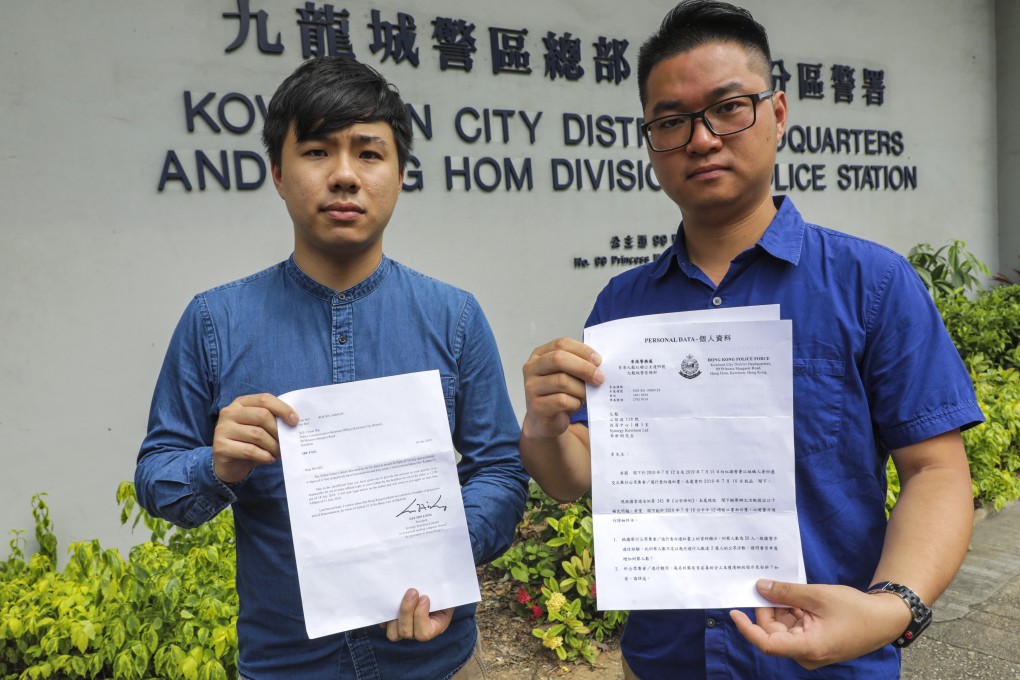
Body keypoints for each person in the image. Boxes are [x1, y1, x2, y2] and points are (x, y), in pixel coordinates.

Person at [520, 2, 983, 678]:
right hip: (667, 662)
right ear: (650, 140)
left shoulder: (872, 284)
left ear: (778, 112)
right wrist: (544, 427)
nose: (701, 139)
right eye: (671, 121)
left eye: (728, 108)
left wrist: (891, 607)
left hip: (831, 664)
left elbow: (935, 471)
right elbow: (577, 475)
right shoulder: (624, 305)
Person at [136, 57, 529, 679]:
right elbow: (156, 477)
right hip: (286, 663)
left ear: (400, 173)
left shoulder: (454, 316)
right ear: (278, 173)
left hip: (438, 662)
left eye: (369, 153)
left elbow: (501, 471)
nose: (344, 175)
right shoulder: (215, 320)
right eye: (317, 151)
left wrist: (445, 559)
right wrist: (215, 464)